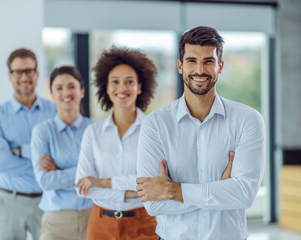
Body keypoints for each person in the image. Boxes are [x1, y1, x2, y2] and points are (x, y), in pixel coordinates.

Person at [136, 26, 265, 240]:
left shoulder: (247, 120)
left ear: (220, 66)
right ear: (180, 66)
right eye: (192, 61)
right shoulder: (155, 125)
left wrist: (173, 190)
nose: (200, 70)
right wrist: (221, 191)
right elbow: (153, 202)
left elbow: (244, 195)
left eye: (208, 61)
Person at [75, 47, 158, 239]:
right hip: (101, 225)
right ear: (106, 87)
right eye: (115, 82)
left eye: (129, 81)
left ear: (139, 87)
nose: (122, 88)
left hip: (144, 224)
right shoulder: (93, 133)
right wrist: (133, 192)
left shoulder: (153, 131)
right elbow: (84, 188)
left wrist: (102, 183)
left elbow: (153, 183)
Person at [0, 48, 56, 240]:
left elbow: (63, 156)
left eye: (29, 71)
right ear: (10, 76)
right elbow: (1, 164)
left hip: (47, 201)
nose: (24, 77)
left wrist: (20, 151)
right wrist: (45, 162)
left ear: (37, 73)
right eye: (18, 72)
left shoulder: (55, 112)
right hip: (9, 202)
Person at [31, 66, 93, 240]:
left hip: (94, 216)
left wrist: (59, 172)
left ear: (81, 91)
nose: (66, 92)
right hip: (56, 222)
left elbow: (106, 172)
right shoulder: (42, 131)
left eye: (72, 86)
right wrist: (86, 174)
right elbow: (45, 181)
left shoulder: (95, 129)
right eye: (58, 88)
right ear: (51, 93)